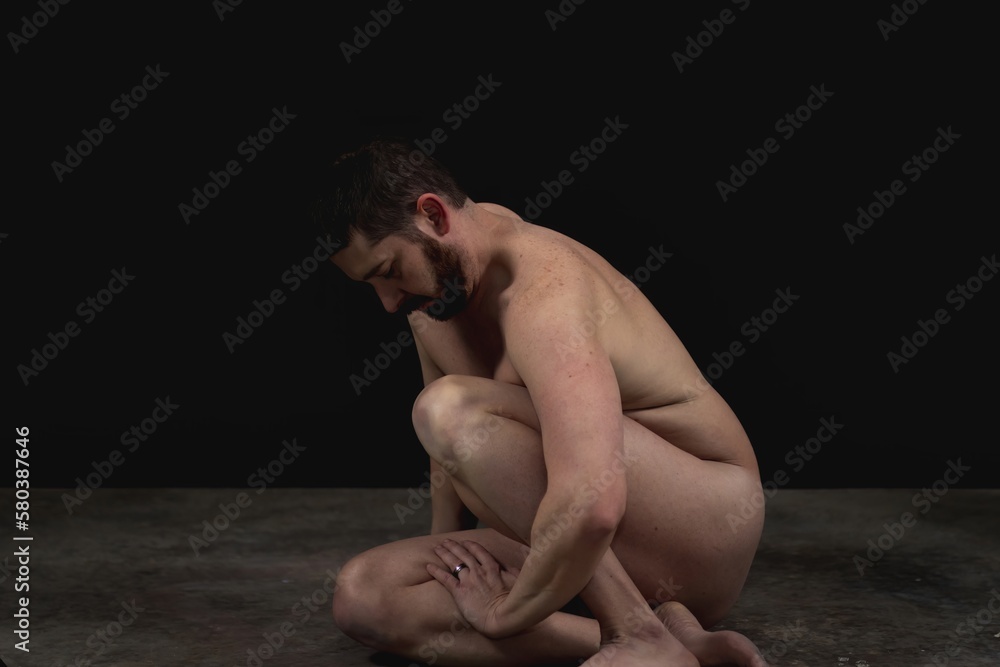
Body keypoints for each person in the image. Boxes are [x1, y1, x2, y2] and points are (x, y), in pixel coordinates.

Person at [317, 138, 768, 666]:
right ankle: (674, 642)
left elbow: (594, 504)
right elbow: (447, 460)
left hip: (702, 523)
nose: (389, 302)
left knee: (450, 412)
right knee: (366, 597)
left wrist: (503, 613)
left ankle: (633, 632)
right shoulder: (438, 290)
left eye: (389, 271)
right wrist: (450, 567)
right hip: (584, 532)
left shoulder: (543, 293)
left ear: (433, 215)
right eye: (371, 284)